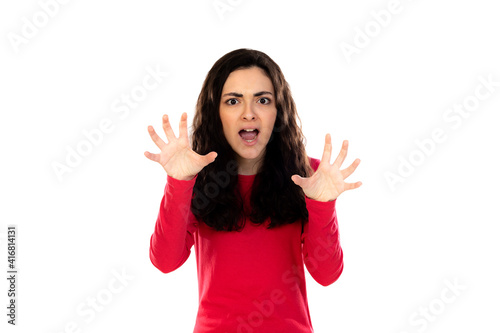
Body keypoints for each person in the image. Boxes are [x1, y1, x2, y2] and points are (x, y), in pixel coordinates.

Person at [145, 48, 362, 332]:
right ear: (217, 113)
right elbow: (165, 261)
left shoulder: (309, 176)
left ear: (278, 112)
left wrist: (322, 204)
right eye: (233, 101)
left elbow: (327, 274)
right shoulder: (196, 176)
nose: (249, 113)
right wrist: (179, 183)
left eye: (262, 100)